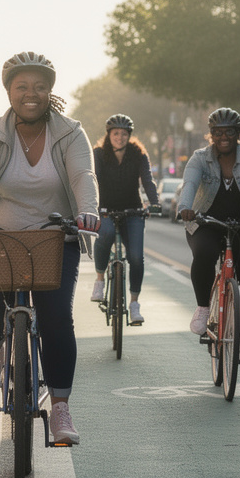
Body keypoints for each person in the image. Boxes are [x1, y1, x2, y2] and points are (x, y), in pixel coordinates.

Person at [0, 52, 99, 445]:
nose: (31, 94)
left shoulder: (69, 133)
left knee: (57, 319)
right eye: (22, 87)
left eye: (40, 87)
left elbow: (83, 174)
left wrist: (88, 212)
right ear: (9, 92)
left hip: (54, 236)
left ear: (50, 91)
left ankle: (60, 407)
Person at [176, 107, 240, 364]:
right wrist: (185, 208)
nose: (224, 137)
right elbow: (189, 184)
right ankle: (203, 307)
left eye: (230, 132)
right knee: (205, 253)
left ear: (238, 134)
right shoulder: (200, 158)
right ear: (211, 134)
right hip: (206, 223)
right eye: (218, 132)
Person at [89, 114, 159, 326]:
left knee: (136, 257)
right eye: (116, 133)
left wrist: (154, 202)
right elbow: (93, 180)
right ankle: (100, 279)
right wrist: (92, 206)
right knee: (106, 233)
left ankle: (134, 303)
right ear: (108, 135)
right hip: (105, 209)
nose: (120, 137)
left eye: (124, 134)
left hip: (133, 210)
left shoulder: (138, 154)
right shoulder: (99, 154)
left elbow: (147, 179)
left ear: (130, 136)